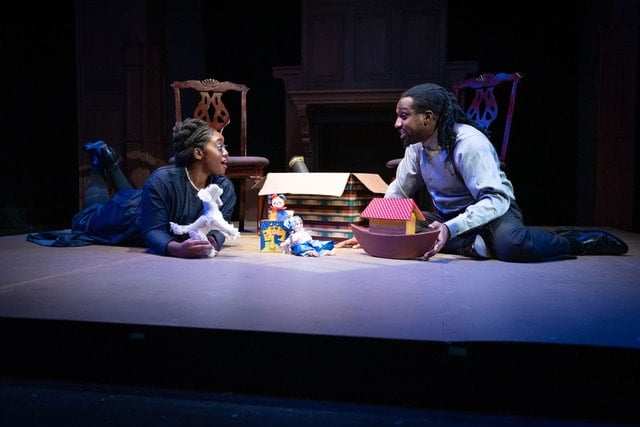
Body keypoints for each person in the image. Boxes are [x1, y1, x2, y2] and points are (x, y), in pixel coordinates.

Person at [338, 83, 628, 262]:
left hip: (493, 212)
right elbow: (399, 192)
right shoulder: (417, 146)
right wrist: (377, 230)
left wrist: (450, 228)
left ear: (428, 117)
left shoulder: (469, 143)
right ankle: (471, 244)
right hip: (449, 216)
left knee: (513, 246)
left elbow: (496, 200)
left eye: (404, 116)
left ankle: (575, 241)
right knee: (407, 229)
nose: (397, 124)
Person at [27, 118, 237, 258]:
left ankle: (110, 162)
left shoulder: (224, 187)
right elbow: (152, 230)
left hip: (140, 200)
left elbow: (220, 226)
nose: (226, 152)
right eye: (219, 146)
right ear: (198, 153)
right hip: (128, 218)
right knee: (87, 217)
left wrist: (212, 241)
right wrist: (177, 249)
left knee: (126, 195)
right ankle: (99, 162)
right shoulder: (164, 179)